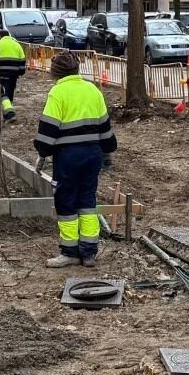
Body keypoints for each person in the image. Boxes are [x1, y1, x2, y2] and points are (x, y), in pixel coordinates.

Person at [35, 51, 115, 268]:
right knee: (87, 201)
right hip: (92, 154)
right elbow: (104, 126)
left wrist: (42, 150)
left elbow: (48, 129)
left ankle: (69, 251)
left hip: (68, 156)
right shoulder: (92, 90)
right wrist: (108, 151)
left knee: (66, 201)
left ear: (55, 72)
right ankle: (89, 253)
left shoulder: (58, 92)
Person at [0, 29, 27, 122]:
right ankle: (7, 115)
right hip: (14, 74)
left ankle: (10, 114)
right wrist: (20, 73)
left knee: (3, 93)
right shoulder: (17, 44)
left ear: (0, 36)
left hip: (2, 73)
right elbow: (22, 61)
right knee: (9, 93)